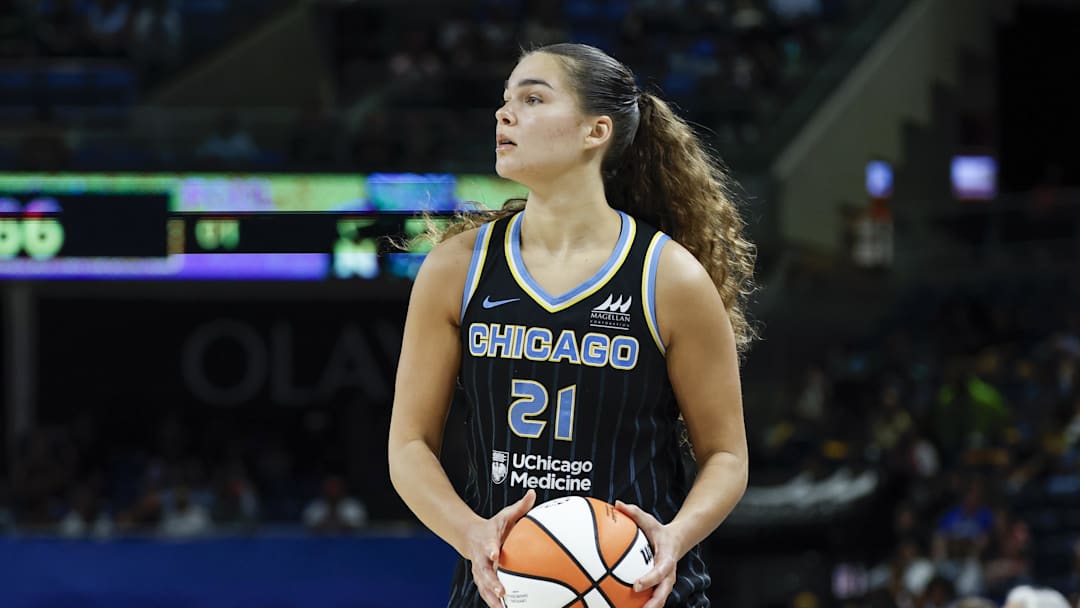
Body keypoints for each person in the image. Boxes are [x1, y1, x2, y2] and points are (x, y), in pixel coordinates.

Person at [388, 43, 754, 608]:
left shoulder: (668, 278)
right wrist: (471, 533)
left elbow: (726, 456)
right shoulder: (458, 268)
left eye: (532, 99)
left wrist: (675, 536)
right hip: (502, 590)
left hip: (639, 589)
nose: (504, 114)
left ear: (595, 131)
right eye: (505, 100)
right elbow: (409, 444)